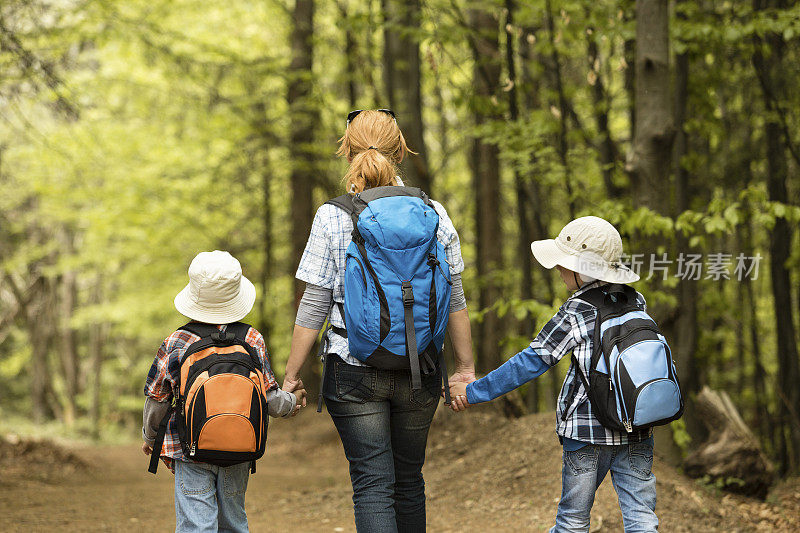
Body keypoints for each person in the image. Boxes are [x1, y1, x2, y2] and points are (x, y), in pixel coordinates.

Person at [282, 109, 476, 533]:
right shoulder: (434, 212)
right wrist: (464, 369)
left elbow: (314, 304)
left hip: (352, 367)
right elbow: (455, 296)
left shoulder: (332, 215)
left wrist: (291, 377)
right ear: (402, 151)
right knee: (409, 483)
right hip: (420, 367)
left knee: (372, 484)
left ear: (348, 151)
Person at [449, 216, 659, 533]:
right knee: (642, 518)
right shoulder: (636, 300)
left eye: (564, 263)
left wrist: (475, 391)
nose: (558, 269)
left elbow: (531, 361)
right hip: (638, 427)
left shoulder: (577, 310)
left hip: (586, 433)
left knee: (572, 521)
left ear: (582, 269)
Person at [142, 250, 306, 532]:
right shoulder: (251, 338)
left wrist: (150, 436)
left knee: (196, 524)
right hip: (239, 448)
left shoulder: (177, 341)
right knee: (233, 521)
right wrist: (293, 402)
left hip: (188, 449)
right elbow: (268, 398)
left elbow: (157, 398)